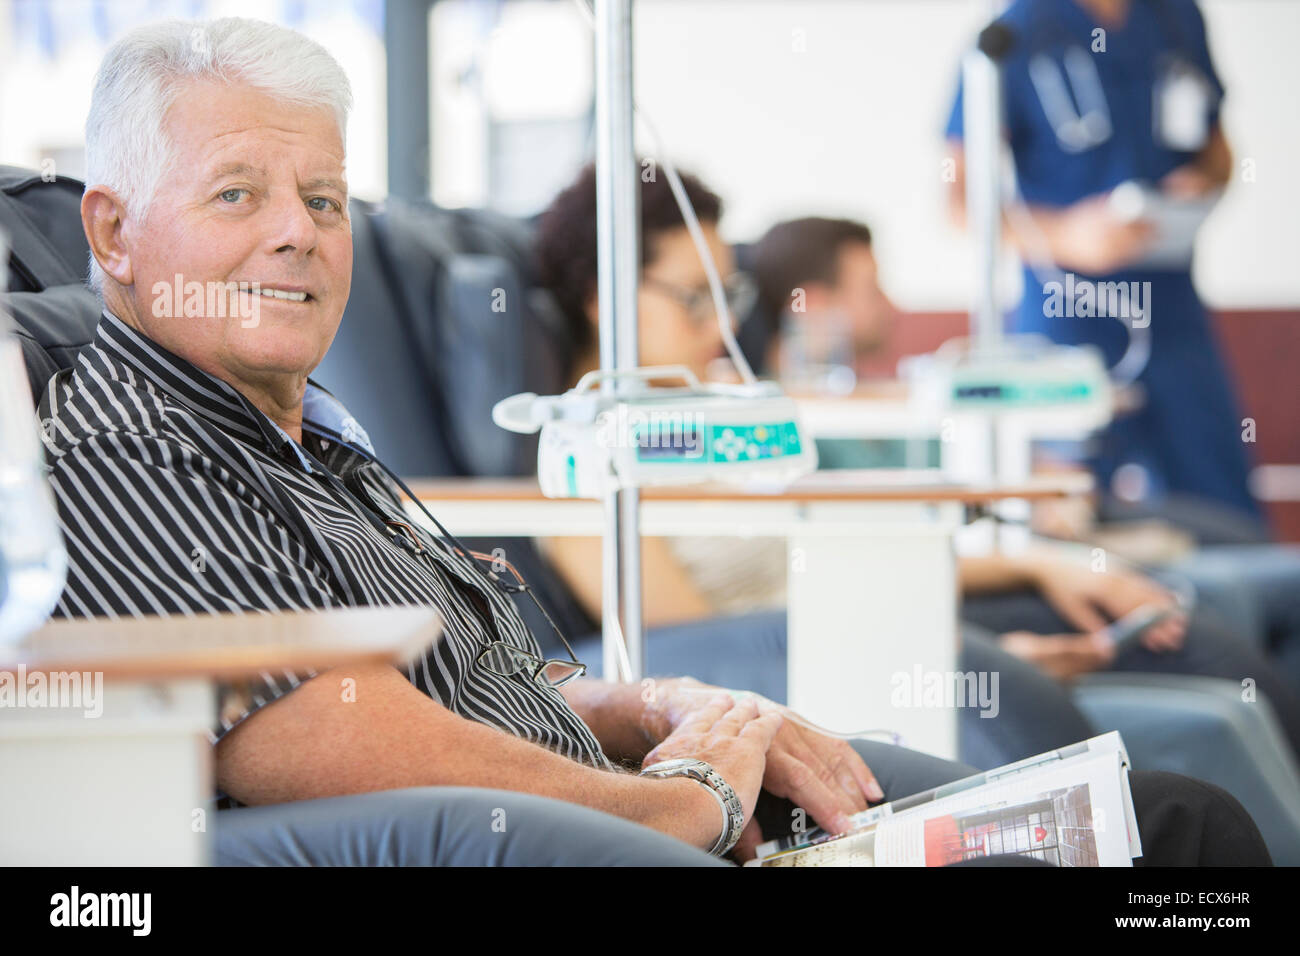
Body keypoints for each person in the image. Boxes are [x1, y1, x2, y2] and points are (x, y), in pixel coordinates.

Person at [41, 16, 1268, 867]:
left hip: (665, 811)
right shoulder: (124, 435)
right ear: (112, 233)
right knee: (1182, 835)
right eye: (237, 193)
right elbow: (309, 733)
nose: (299, 234)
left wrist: (668, 699)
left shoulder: (326, 447)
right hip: (626, 842)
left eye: (321, 198)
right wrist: (674, 801)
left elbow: (527, 680)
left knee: (1166, 821)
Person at [530, 167, 1300, 767]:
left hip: (889, 616)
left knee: (1209, 637)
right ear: (604, 298)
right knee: (1211, 668)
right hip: (858, 652)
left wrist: (1035, 564)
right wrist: (931, 655)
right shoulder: (578, 473)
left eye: (726, 293)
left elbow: (843, 555)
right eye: (695, 296)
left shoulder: (722, 427)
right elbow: (699, 668)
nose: (727, 321)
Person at [944, 0, 1258, 525]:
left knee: (1222, 509)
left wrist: (1201, 184)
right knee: (1063, 513)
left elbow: (1220, 153)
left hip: (1172, 311)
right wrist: (1066, 236)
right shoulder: (1015, 33)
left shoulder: (1175, 19)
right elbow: (957, 204)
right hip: (1065, 314)